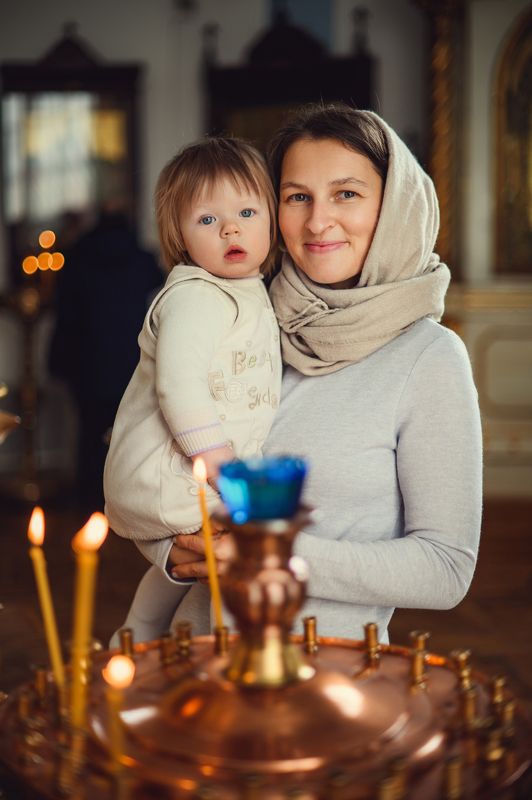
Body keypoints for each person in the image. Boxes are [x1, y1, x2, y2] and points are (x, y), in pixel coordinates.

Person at [156, 103, 483, 644]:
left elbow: (444, 569)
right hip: (193, 659)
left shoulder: (428, 357)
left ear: (395, 206)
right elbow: (163, 466)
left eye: (346, 194)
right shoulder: (236, 318)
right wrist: (170, 551)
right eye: (297, 197)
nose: (317, 220)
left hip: (328, 677)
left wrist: (267, 552)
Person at [104, 137, 281, 642]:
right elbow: (178, 387)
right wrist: (224, 464)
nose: (229, 227)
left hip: (194, 472)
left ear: (271, 219)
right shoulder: (197, 296)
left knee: (194, 563)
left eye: (246, 211)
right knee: (234, 551)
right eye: (206, 220)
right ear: (179, 236)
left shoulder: (248, 291)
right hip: (173, 471)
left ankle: (134, 639)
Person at [48, 208, 163, 511]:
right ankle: (129, 504)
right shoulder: (143, 259)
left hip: (87, 365)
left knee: (88, 437)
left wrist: (59, 363)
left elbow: (65, 314)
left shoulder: (77, 258)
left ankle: (88, 502)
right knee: (132, 437)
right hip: (132, 362)